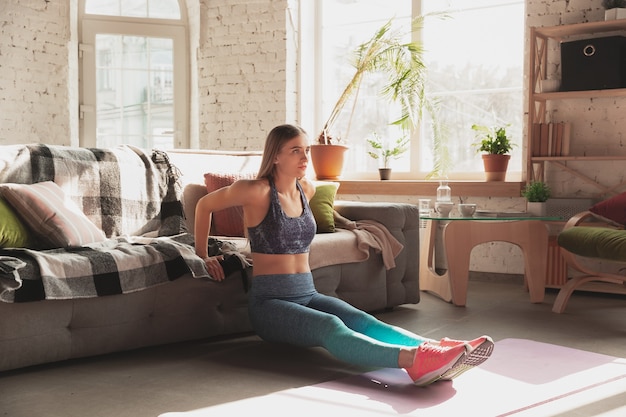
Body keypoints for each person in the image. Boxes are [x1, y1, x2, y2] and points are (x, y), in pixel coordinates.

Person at [194, 124, 493, 387]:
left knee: (362, 319)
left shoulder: (306, 190)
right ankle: (415, 361)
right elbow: (203, 206)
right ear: (275, 156)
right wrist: (202, 254)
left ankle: (438, 349)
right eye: (295, 151)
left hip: (307, 294)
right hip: (270, 304)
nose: (305, 158)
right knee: (331, 327)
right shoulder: (255, 191)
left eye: (307, 150)